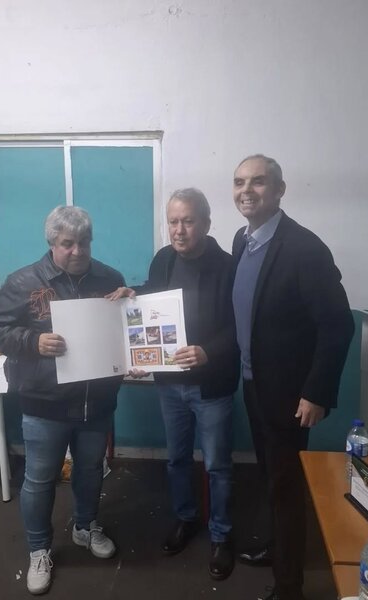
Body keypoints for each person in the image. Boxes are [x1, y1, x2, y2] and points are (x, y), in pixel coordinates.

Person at [231, 155, 354, 600]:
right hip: (253, 385)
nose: (247, 190)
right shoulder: (242, 240)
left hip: (289, 396)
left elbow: (338, 325)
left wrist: (316, 392)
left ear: (279, 190)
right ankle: (278, 549)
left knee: (285, 487)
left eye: (258, 182)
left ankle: (289, 587)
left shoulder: (304, 248)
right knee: (269, 477)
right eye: (239, 182)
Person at [0, 206, 125, 595]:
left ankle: (85, 526)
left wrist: (132, 306)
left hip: (96, 401)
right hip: (44, 403)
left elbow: (123, 327)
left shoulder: (110, 278)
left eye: (84, 242)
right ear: (52, 243)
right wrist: (33, 341)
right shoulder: (23, 281)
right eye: (68, 243)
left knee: (90, 470)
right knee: (40, 479)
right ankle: (39, 550)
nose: (78, 251)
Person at [107, 188, 240, 580]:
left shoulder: (228, 267)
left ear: (206, 223)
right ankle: (186, 518)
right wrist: (133, 294)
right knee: (177, 459)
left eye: (188, 221)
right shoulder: (164, 258)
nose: (179, 230)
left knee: (217, 465)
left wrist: (208, 352)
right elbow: (155, 301)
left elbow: (241, 328)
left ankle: (221, 535)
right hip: (170, 384)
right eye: (173, 222)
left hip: (212, 387)